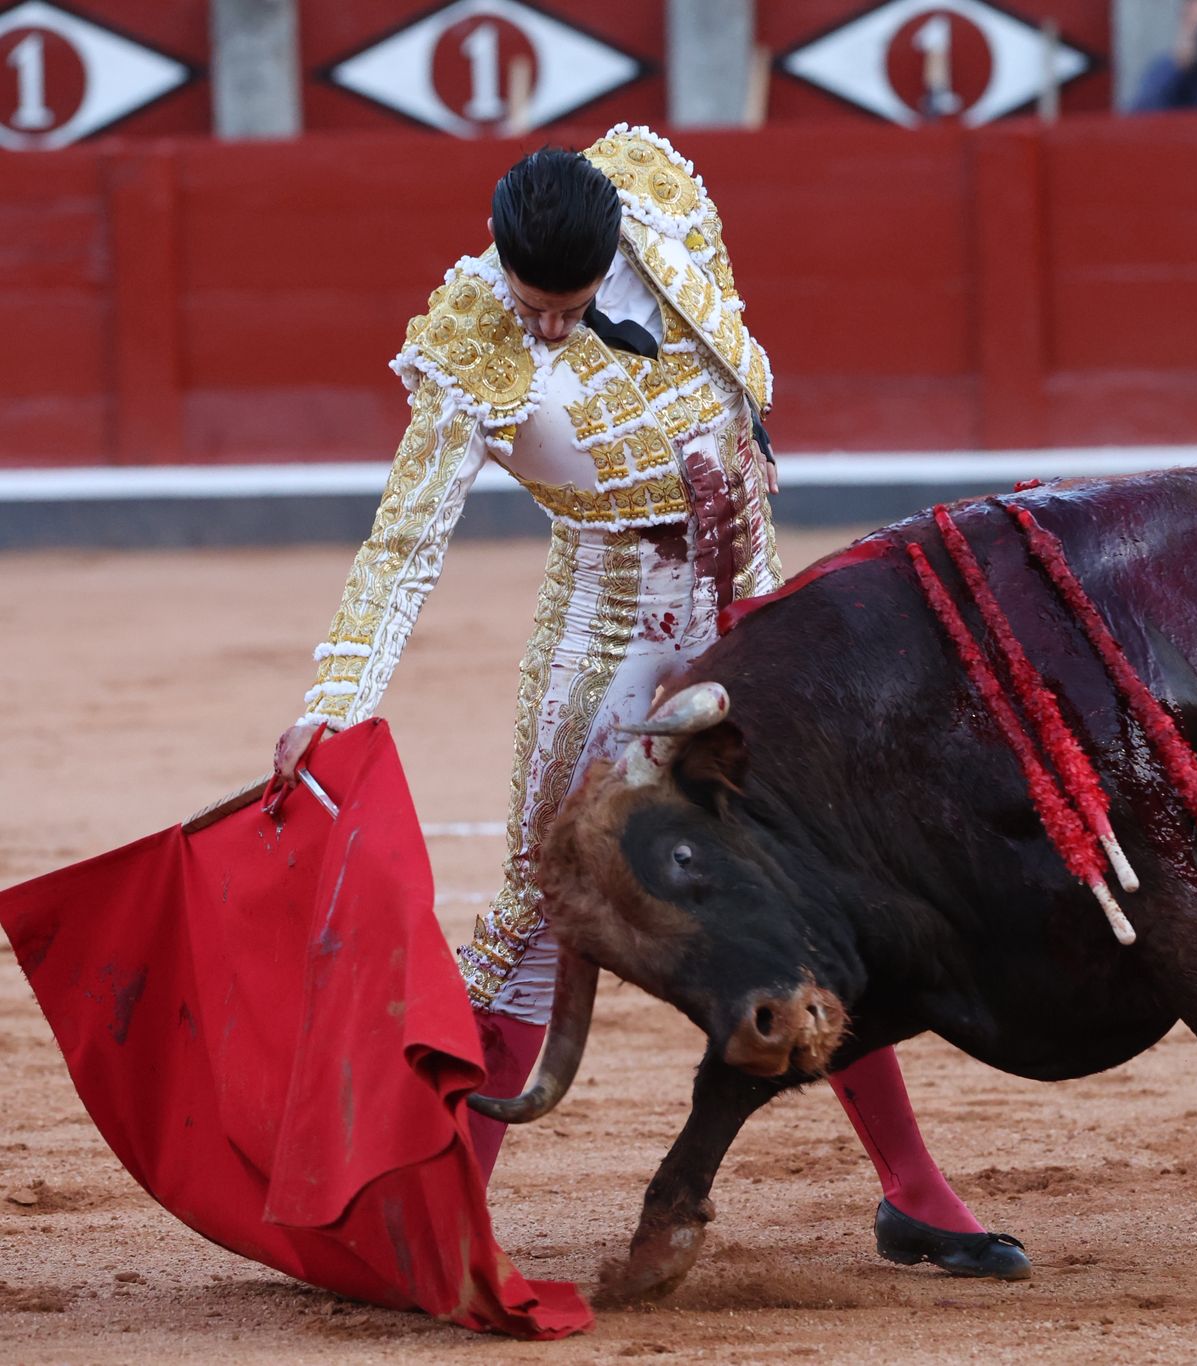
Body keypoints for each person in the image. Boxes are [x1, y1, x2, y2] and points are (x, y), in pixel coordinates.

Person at [271, 128, 1027, 1281]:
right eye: (532, 304)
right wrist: (332, 701)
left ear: (612, 251)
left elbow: (736, 406)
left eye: (566, 304)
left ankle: (915, 1194)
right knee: (538, 910)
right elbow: (403, 542)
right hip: (607, 633)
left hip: (748, 617)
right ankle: (449, 1224)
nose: (549, 326)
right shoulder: (472, 338)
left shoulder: (664, 207)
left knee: (810, 895)